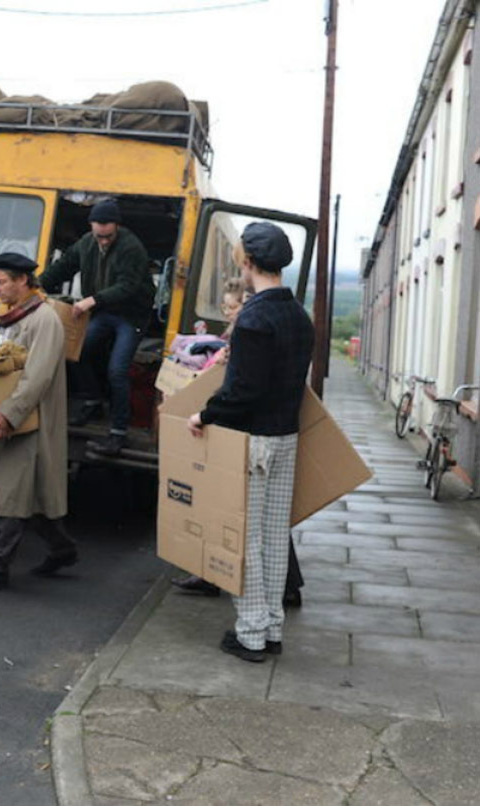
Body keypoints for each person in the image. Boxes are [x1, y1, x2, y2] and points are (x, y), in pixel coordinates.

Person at [186, 222, 314, 663]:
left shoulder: (254, 319)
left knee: (244, 538)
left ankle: (251, 633)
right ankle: (272, 628)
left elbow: (243, 392)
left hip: (253, 442)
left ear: (249, 262)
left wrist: (204, 415)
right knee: (274, 537)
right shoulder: (299, 316)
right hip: (285, 436)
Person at [0, 253, 76, 592]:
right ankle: (62, 549)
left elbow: (38, 376)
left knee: (10, 495)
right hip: (9, 416)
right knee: (31, 495)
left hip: (30, 420)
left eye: (2, 282)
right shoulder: (9, 316)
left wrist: (8, 413)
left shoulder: (44, 319)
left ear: (23, 281)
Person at [40, 197, 155, 456]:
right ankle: (93, 401)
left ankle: (118, 432)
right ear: (91, 227)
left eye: (108, 236)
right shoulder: (86, 243)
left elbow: (128, 286)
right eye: (99, 236)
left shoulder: (131, 247)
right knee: (76, 351)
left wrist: (91, 300)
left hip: (131, 316)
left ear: (117, 227)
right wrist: (35, 287)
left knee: (117, 370)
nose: (103, 241)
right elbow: (63, 267)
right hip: (104, 312)